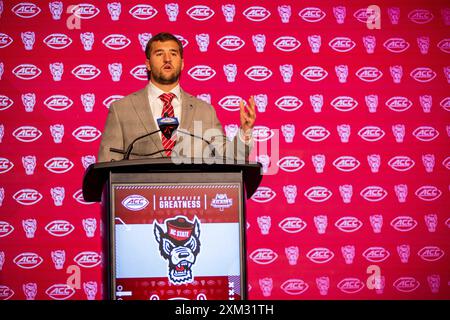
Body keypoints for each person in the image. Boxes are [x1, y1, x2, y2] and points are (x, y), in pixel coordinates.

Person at [97, 32, 256, 162]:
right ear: (147, 64)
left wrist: (245, 132)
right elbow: (107, 165)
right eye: (159, 54)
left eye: (173, 54)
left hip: (192, 197)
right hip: (138, 198)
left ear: (182, 63)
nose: (167, 59)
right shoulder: (121, 109)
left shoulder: (205, 111)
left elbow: (229, 158)